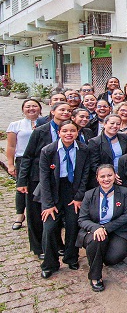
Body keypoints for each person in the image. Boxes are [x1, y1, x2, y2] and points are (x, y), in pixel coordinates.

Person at [17, 102, 71, 258]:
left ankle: (57, 245)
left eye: (68, 110)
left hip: (59, 178)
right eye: (62, 109)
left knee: (55, 215)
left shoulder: (69, 130)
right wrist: (22, 181)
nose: (66, 112)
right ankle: (39, 248)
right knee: (36, 215)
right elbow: (27, 156)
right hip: (37, 177)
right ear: (52, 112)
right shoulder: (40, 131)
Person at [38, 121, 91, 279]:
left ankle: (71, 257)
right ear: (59, 132)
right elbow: (44, 179)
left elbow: (85, 175)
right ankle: (50, 263)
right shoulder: (48, 151)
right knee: (50, 227)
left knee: (73, 224)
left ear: (77, 133)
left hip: (72, 190)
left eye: (72, 131)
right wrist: (48, 204)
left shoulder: (83, 149)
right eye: (65, 131)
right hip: (53, 190)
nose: (69, 134)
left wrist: (79, 197)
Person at [77, 164, 127, 292]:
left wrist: (105, 228)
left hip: (116, 230)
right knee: (97, 240)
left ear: (115, 176)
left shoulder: (124, 192)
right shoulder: (89, 195)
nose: (106, 179)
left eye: (109, 175)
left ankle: (98, 254)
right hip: (94, 231)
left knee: (114, 258)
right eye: (102, 176)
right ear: (97, 178)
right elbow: (82, 219)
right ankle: (95, 276)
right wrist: (97, 228)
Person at [6, 99, 41, 230]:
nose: (31, 109)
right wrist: (10, 164)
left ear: (40, 108)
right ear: (23, 110)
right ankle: (19, 215)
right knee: (21, 187)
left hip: (40, 160)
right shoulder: (16, 125)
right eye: (28, 106)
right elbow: (11, 146)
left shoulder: (44, 123)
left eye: (34, 106)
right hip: (23, 160)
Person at [87, 115, 127, 188]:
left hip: (122, 177)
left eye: (118, 124)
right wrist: (111, 175)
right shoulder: (94, 142)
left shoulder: (124, 137)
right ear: (105, 124)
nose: (115, 126)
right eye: (112, 123)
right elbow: (94, 164)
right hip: (104, 179)